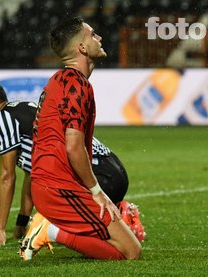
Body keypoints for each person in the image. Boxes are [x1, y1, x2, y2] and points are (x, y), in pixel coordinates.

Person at [0, 79, 144, 246]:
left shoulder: (2, 117)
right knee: (46, 189)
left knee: (52, 211)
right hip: (112, 170)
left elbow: (6, 177)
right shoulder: (21, 110)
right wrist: (21, 222)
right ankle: (119, 212)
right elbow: (32, 174)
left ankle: (120, 222)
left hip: (98, 175)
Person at [21, 16, 141, 261]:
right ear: (82, 48)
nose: (100, 38)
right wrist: (97, 191)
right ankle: (49, 231)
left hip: (52, 183)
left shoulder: (61, 80)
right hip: (58, 187)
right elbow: (74, 146)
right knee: (131, 252)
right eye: (93, 34)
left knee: (123, 244)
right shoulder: (75, 85)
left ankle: (53, 229)